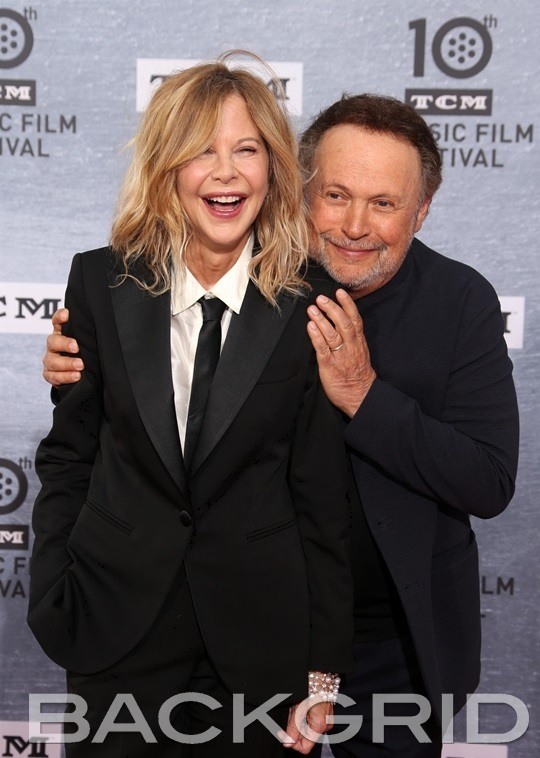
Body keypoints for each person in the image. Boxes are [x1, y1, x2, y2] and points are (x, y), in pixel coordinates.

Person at [42, 93, 520, 757]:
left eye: (384, 204)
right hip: (253, 626)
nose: (355, 225)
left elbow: (488, 480)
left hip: (394, 634)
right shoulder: (251, 280)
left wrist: (364, 396)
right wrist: (87, 362)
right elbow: (109, 433)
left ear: (422, 209)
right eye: (335, 196)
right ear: (298, 189)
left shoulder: (460, 302)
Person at [28, 54, 356, 758]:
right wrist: (54, 590)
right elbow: (69, 456)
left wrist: (323, 671)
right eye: (202, 150)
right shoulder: (100, 283)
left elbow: (322, 498)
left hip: (260, 651)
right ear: (166, 166)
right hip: (115, 632)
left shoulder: (311, 301)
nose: (226, 173)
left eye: (247, 150)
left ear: (273, 169)